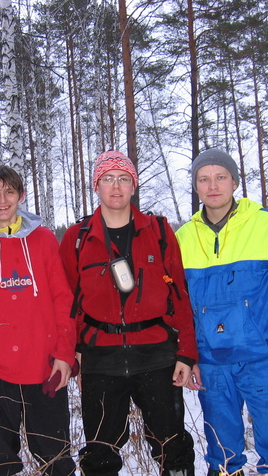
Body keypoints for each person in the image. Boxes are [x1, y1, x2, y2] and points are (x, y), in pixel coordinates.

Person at [59, 150, 199, 476]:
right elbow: (67, 303)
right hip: (100, 356)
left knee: (172, 446)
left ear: (133, 186)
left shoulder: (160, 232)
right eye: (108, 179)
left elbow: (180, 297)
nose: (116, 187)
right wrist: (73, 351)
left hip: (156, 354)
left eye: (123, 178)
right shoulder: (77, 239)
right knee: (100, 454)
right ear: (97, 185)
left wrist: (186, 353)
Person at [175, 149, 268, 476]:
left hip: (263, 358)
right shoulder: (183, 238)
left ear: (235, 182)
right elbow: (180, 308)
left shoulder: (265, 225)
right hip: (212, 364)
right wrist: (189, 355)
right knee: (222, 454)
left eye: (220, 177)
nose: (213, 186)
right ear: (196, 187)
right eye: (204, 179)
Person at [0, 165, 77, 476]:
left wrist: (63, 354)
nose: (2, 199)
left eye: (9, 191)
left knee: (55, 460)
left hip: (45, 369)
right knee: (1, 464)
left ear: (20, 196)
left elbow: (64, 300)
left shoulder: (44, 240)